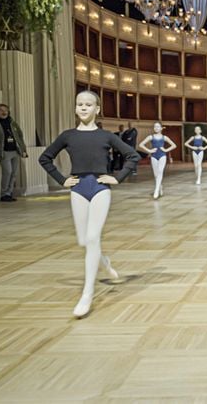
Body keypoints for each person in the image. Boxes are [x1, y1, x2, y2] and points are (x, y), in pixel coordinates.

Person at [38, 90, 140, 317]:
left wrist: (118, 177)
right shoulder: (68, 135)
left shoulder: (106, 136)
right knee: (84, 240)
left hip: (100, 188)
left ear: (97, 109)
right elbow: (45, 158)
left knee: (93, 238)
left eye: (88, 104)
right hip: (78, 188)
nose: (83, 108)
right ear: (75, 108)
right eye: (80, 104)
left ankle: (87, 292)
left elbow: (133, 155)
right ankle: (103, 260)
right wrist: (62, 179)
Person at [0, 104, 28, 201]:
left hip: (15, 151)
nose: (4, 112)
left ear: (8, 112)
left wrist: (23, 150)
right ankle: (4, 194)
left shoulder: (13, 123)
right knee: (7, 172)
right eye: (1, 110)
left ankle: (9, 193)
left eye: (5, 110)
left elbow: (20, 137)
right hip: (4, 152)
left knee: (14, 173)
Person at [138, 123, 177, 199]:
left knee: (160, 172)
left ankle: (156, 190)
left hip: (162, 156)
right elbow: (141, 144)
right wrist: (149, 150)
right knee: (156, 174)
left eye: (158, 126)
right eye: (155, 126)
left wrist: (166, 150)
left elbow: (174, 145)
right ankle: (160, 187)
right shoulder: (151, 137)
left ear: (161, 128)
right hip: (154, 156)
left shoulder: (164, 137)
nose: (156, 128)